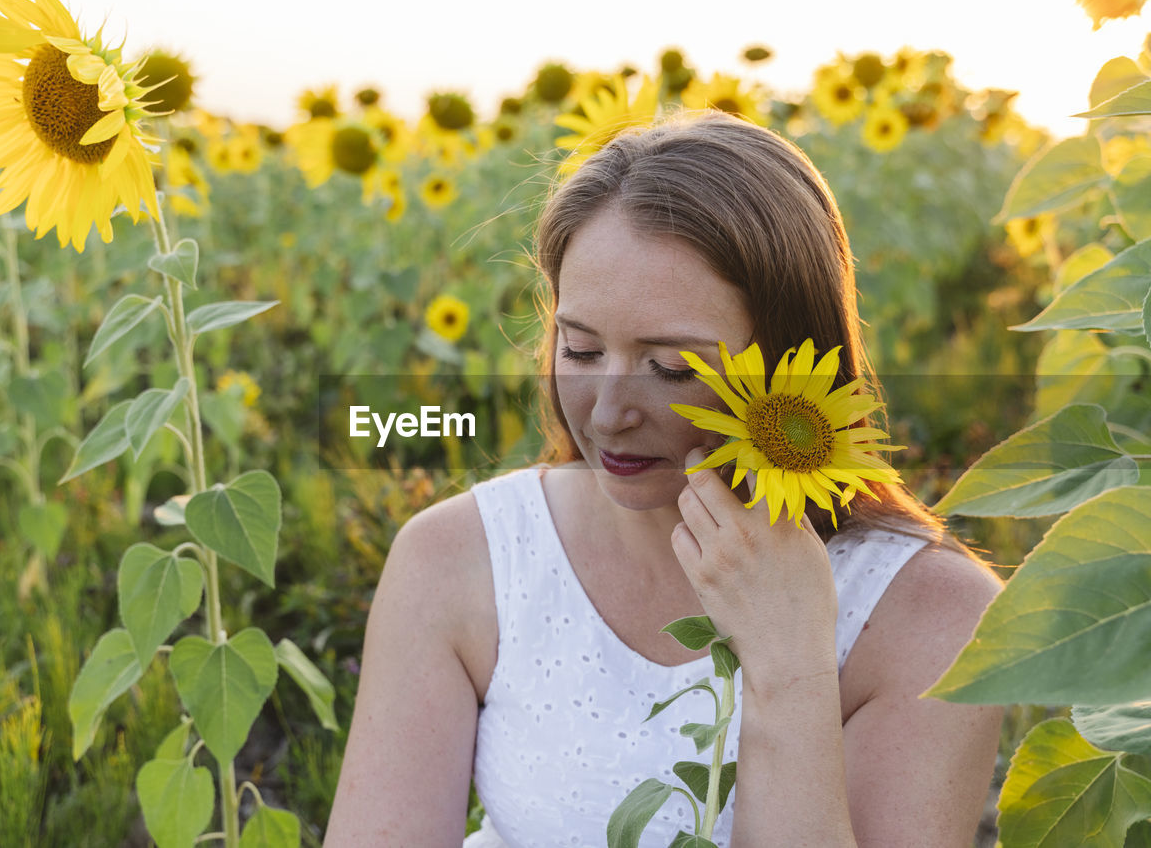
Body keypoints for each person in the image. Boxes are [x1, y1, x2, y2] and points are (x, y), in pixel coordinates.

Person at [323, 110, 1004, 847]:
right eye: (580, 350)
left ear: (790, 365)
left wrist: (789, 671)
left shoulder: (931, 617)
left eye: (671, 368)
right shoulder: (460, 559)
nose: (610, 413)